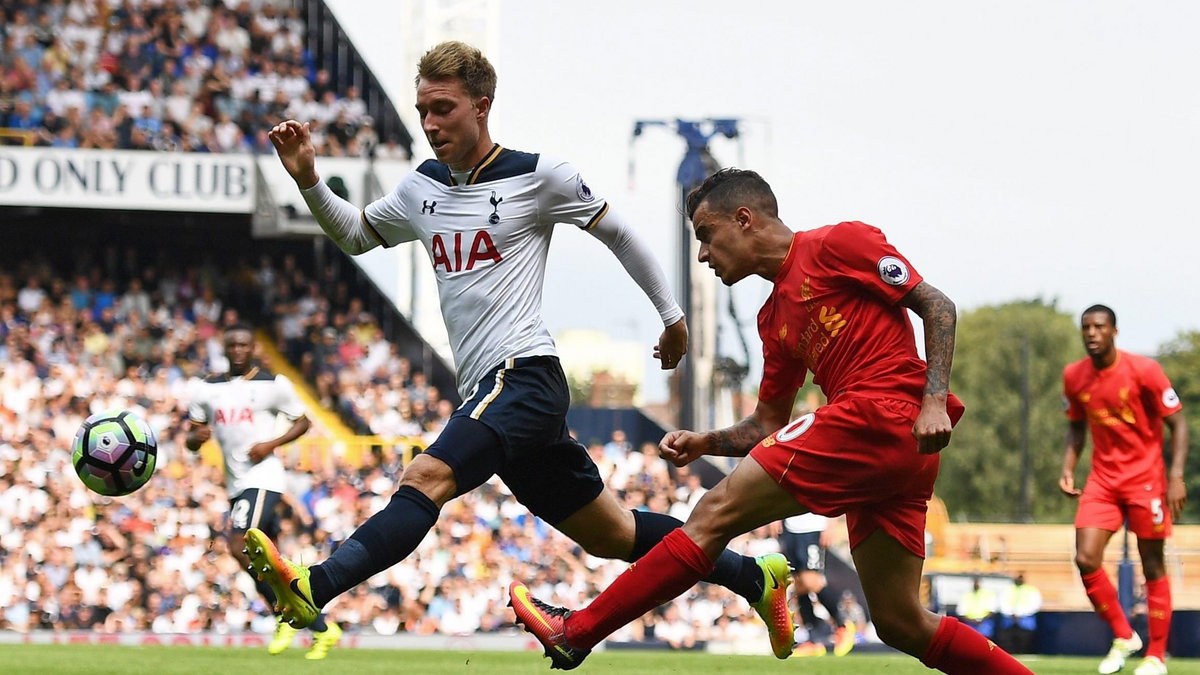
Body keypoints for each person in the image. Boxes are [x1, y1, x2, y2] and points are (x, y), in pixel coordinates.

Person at [245, 41, 793, 658]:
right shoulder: (420, 188)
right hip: (489, 387)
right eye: (423, 109)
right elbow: (356, 236)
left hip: (524, 374)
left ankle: (315, 586)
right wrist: (310, 179)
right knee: (613, 534)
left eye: (443, 109)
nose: (429, 124)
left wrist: (671, 316)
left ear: (481, 108)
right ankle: (757, 577)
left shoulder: (539, 176)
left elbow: (618, 233)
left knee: (426, 475)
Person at [510, 168, 1034, 674]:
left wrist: (935, 400)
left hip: (879, 412)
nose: (702, 254)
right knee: (901, 623)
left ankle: (576, 631)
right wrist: (705, 441)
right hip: (895, 453)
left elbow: (937, 306)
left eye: (706, 235)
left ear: (744, 219)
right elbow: (766, 424)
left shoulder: (839, 243)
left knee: (712, 515)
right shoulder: (773, 318)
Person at [185, 323, 343, 659]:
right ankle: (323, 629)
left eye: (245, 345)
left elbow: (303, 421)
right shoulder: (206, 389)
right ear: (224, 350)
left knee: (238, 545)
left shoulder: (273, 383)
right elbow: (193, 434)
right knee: (274, 564)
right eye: (233, 346)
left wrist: (270, 444)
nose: (239, 351)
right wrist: (193, 440)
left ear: (253, 348)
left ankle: (281, 614)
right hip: (234, 483)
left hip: (263, 476)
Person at [1060, 304, 1188, 675]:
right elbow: (1076, 426)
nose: (1091, 333)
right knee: (1086, 558)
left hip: (1146, 480)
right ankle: (1124, 634)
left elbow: (1178, 424)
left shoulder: (1144, 370)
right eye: (1086, 327)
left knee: (1152, 564)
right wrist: (1068, 467)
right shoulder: (1074, 376)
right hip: (1102, 481)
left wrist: (1176, 477)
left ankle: (1156, 656)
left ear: (1114, 331)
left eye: (1099, 326)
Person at [778, 512, 856, 657]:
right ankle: (813, 638)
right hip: (790, 527)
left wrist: (830, 525)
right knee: (799, 585)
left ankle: (843, 624)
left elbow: (833, 493)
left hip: (813, 528)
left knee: (811, 580)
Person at [998, 572, 1041, 655]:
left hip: (1025, 618)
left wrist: (1021, 614)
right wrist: (1011, 613)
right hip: (1009, 618)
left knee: (1025, 637)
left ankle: (1025, 653)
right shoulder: (1008, 589)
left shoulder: (1031, 590)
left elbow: (1035, 604)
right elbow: (1002, 602)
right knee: (1008, 638)